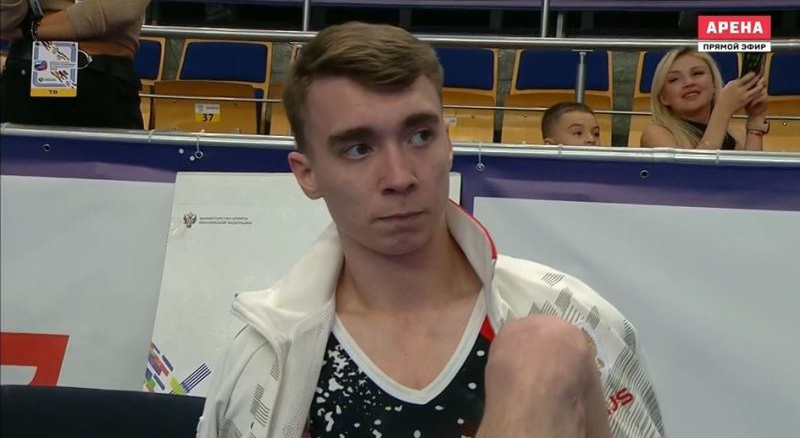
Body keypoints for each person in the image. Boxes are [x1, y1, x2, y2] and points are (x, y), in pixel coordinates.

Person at [198, 22, 665, 438]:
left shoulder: (572, 315)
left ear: (448, 144)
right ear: (308, 175)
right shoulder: (264, 355)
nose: (400, 177)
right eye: (358, 149)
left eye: (420, 136)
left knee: (544, 351)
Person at [0, 0, 156, 129]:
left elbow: (123, 6)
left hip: (105, 78)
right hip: (27, 74)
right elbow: (6, 21)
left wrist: (32, 29)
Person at [641, 47, 769, 150]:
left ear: (714, 84)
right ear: (663, 97)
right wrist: (723, 110)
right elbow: (696, 172)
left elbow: (751, 174)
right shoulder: (655, 134)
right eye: (674, 79)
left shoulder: (735, 136)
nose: (689, 82)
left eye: (697, 73)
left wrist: (755, 119)